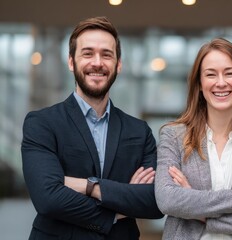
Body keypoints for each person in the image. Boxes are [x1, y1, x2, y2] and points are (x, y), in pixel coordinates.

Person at [21, 16, 163, 240]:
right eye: (87, 53)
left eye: (106, 54)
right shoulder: (42, 123)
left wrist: (90, 186)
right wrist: (122, 204)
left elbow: (155, 201)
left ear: (118, 64)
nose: (97, 62)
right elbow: (47, 198)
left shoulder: (139, 131)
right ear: (71, 62)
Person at [155, 38, 232, 239]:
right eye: (211, 74)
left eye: (229, 73)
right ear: (199, 84)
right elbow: (167, 199)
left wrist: (199, 211)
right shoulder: (174, 137)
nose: (221, 82)